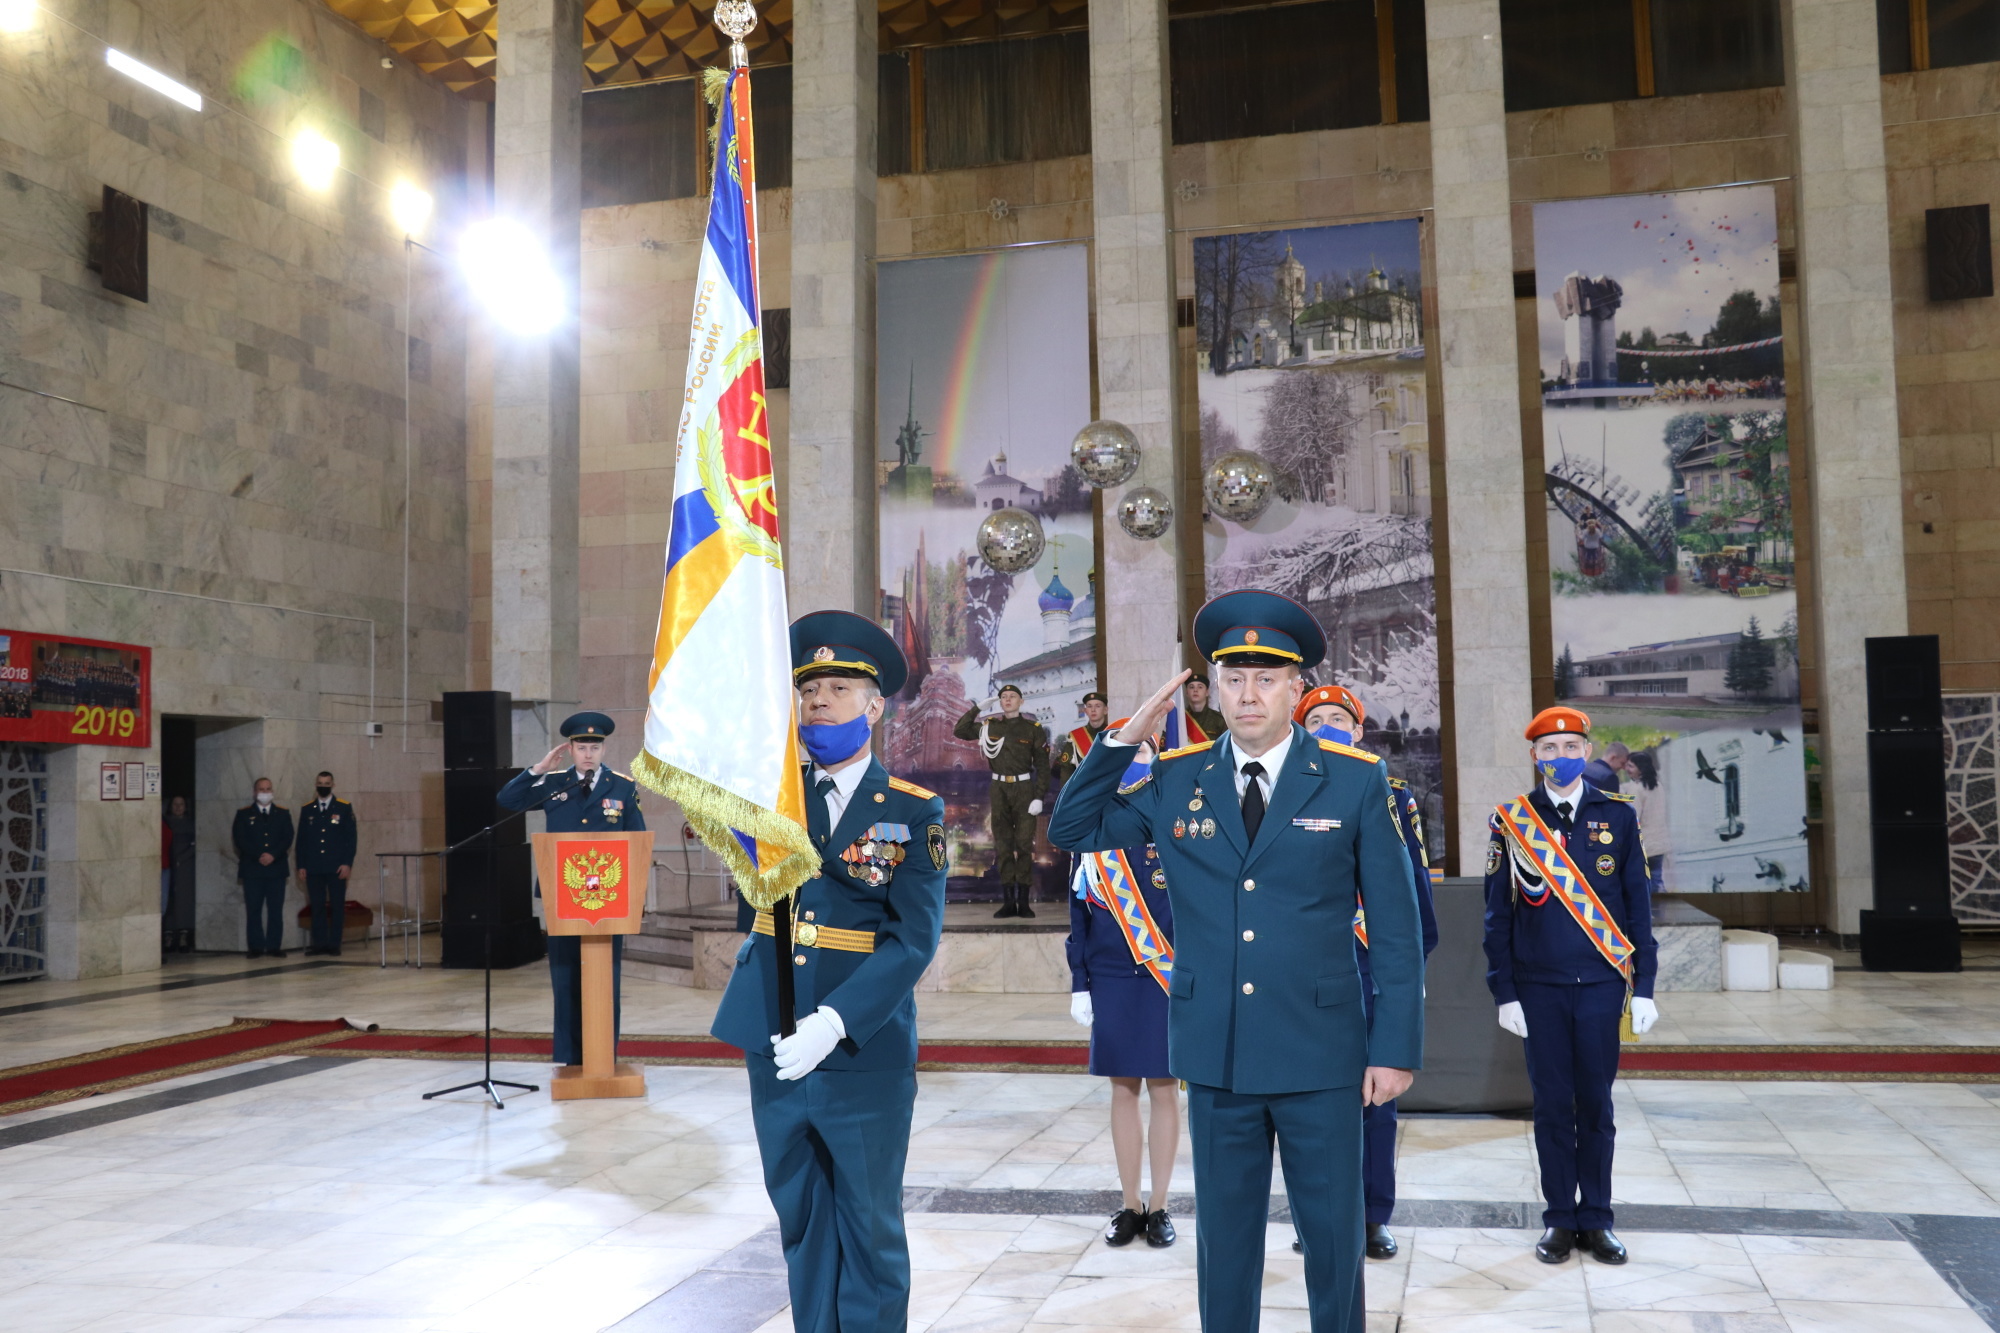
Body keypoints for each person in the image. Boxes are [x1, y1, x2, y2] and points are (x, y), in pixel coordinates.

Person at [1049, 589, 1424, 1333]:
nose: (1247, 694)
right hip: (1217, 1052)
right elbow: (1074, 826)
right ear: (1211, 688)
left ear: (1295, 688)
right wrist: (1123, 738)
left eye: (1265, 678)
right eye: (1231, 677)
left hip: (1323, 1054)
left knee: (1333, 1240)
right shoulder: (1180, 776)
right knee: (1225, 1246)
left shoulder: (1353, 779)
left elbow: (1396, 927)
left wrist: (1395, 1047)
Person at [712, 610, 948, 1333]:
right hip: (774, 1038)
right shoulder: (768, 803)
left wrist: (835, 1020)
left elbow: (913, 941)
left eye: (839, 687)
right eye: (808, 686)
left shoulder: (911, 811)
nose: (819, 699)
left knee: (870, 1228)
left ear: (875, 707)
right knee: (802, 1222)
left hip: (859, 1047)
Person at [1483, 705, 1659, 1268]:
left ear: (1587, 752)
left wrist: (1647, 987)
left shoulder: (1620, 817)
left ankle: (1598, 1219)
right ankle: (1560, 1218)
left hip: (1603, 985)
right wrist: (1504, 991)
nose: (1561, 758)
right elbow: (1498, 916)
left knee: (1597, 1106)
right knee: (1554, 1106)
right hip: (1539, 988)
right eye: (1549, 750)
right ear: (1535, 757)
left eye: (1571, 748)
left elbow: (1637, 907)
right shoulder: (1512, 821)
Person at [1293, 683, 1438, 1261]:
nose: (1329, 727)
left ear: (1358, 731)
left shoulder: (1393, 796)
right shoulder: (1283, 797)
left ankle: (1374, 1215)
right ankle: (1316, 1216)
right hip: (1306, 976)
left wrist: (1409, 973)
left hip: (1370, 969)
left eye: (1339, 720)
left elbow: (1413, 890)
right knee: (1310, 1110)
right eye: (1317, 719)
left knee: (1375, 1102)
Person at [1067, 725, 1177, 1250]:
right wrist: (1079, 982)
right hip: (1111, 973)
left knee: (1165, 1087)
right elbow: (1078, 914)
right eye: (1123, 750)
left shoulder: (1172, 817)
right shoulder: (1090, 829)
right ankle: (1130, 1204)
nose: (1134, 757)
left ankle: (1160, 1206)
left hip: (1167, 973)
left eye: (1142, 748)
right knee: (1121, 1088)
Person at [497, 712, 647, 1068]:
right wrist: (538, 768)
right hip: (562, 895)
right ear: (571, 749)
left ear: (604, 748)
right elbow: (508, 799)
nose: (588, 753)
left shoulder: (622, 786)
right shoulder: (554, 782)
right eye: (581, 747)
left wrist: (635, 893)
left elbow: (638, 841)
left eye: (594, 746)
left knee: (604, 979)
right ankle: (569, 1055)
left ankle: (602, 1054)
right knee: (564, 976)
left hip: (609, 900)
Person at [954, 684, 1049, 918]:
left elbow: (1044, 767)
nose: (1007, 700)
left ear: (1021, 701)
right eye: (1003, 697)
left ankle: (1024, 902)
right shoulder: (990, 727)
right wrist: (977, 708)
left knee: (1025, 846)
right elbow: (960, 730)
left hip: (1024, 788)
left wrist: (1039, 797)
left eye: (1012, 697)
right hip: (999, 788)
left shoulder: (1032, 729)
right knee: (1004, 846)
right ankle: (1008, 902)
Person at [297, 771, 358, 956]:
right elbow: (302, 840)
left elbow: (351, 839)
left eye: (326, 783)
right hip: (314, 867)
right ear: (316, 784)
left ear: (333, 785)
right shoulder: (308, 809)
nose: (323, 785)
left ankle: (334, 944)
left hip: (336, 867)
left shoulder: (343, 807)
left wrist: (347, 863)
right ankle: (319, 944)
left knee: (337, 906)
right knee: (317, 906)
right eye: (320, 782)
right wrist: (301, 865)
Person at [232, 778, 294, 959]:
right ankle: (256, 946)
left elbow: (287, 837)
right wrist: (259, 855)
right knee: (254, 910)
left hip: (276, 869)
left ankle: (274, 946)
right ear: (254, 792)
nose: (265, 792)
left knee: (275, 910)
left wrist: (273, 855)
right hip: (253, 869)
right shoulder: (244, 814)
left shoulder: (282, 814)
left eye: (268, 789)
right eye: (261, 789)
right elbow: (240, 839)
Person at [1054, 691, 1110, 789]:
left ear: (1105, 710)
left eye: (1097, 706)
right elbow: (1066, 770)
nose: (1093, 710)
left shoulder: (1113, 734)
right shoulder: (1075, 736)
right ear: (1085, 710)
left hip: (1108, 789)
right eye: (1089, 706)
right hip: (1083, 790)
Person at [1183, 675, 1225, 744]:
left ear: (1207, 692)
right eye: (1191, 687)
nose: (1195, 690)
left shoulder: (1218, 720)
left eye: (1200, 687)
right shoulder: (1180, 719)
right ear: (1187, 692)